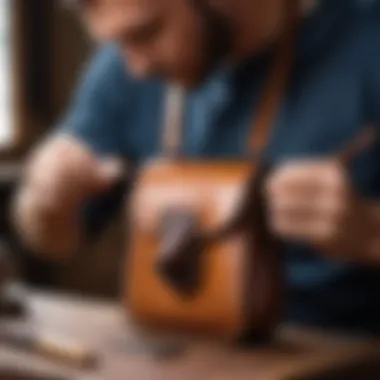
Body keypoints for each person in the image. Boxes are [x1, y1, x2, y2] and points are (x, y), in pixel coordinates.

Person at [12, 0, 380, 336]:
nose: (136, 70)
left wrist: (367, 234)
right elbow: (53, 242)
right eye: (115, 42)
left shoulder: (366, 39)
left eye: (147, 32)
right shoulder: (125, 62)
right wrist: (46, 202)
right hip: (179, 353)